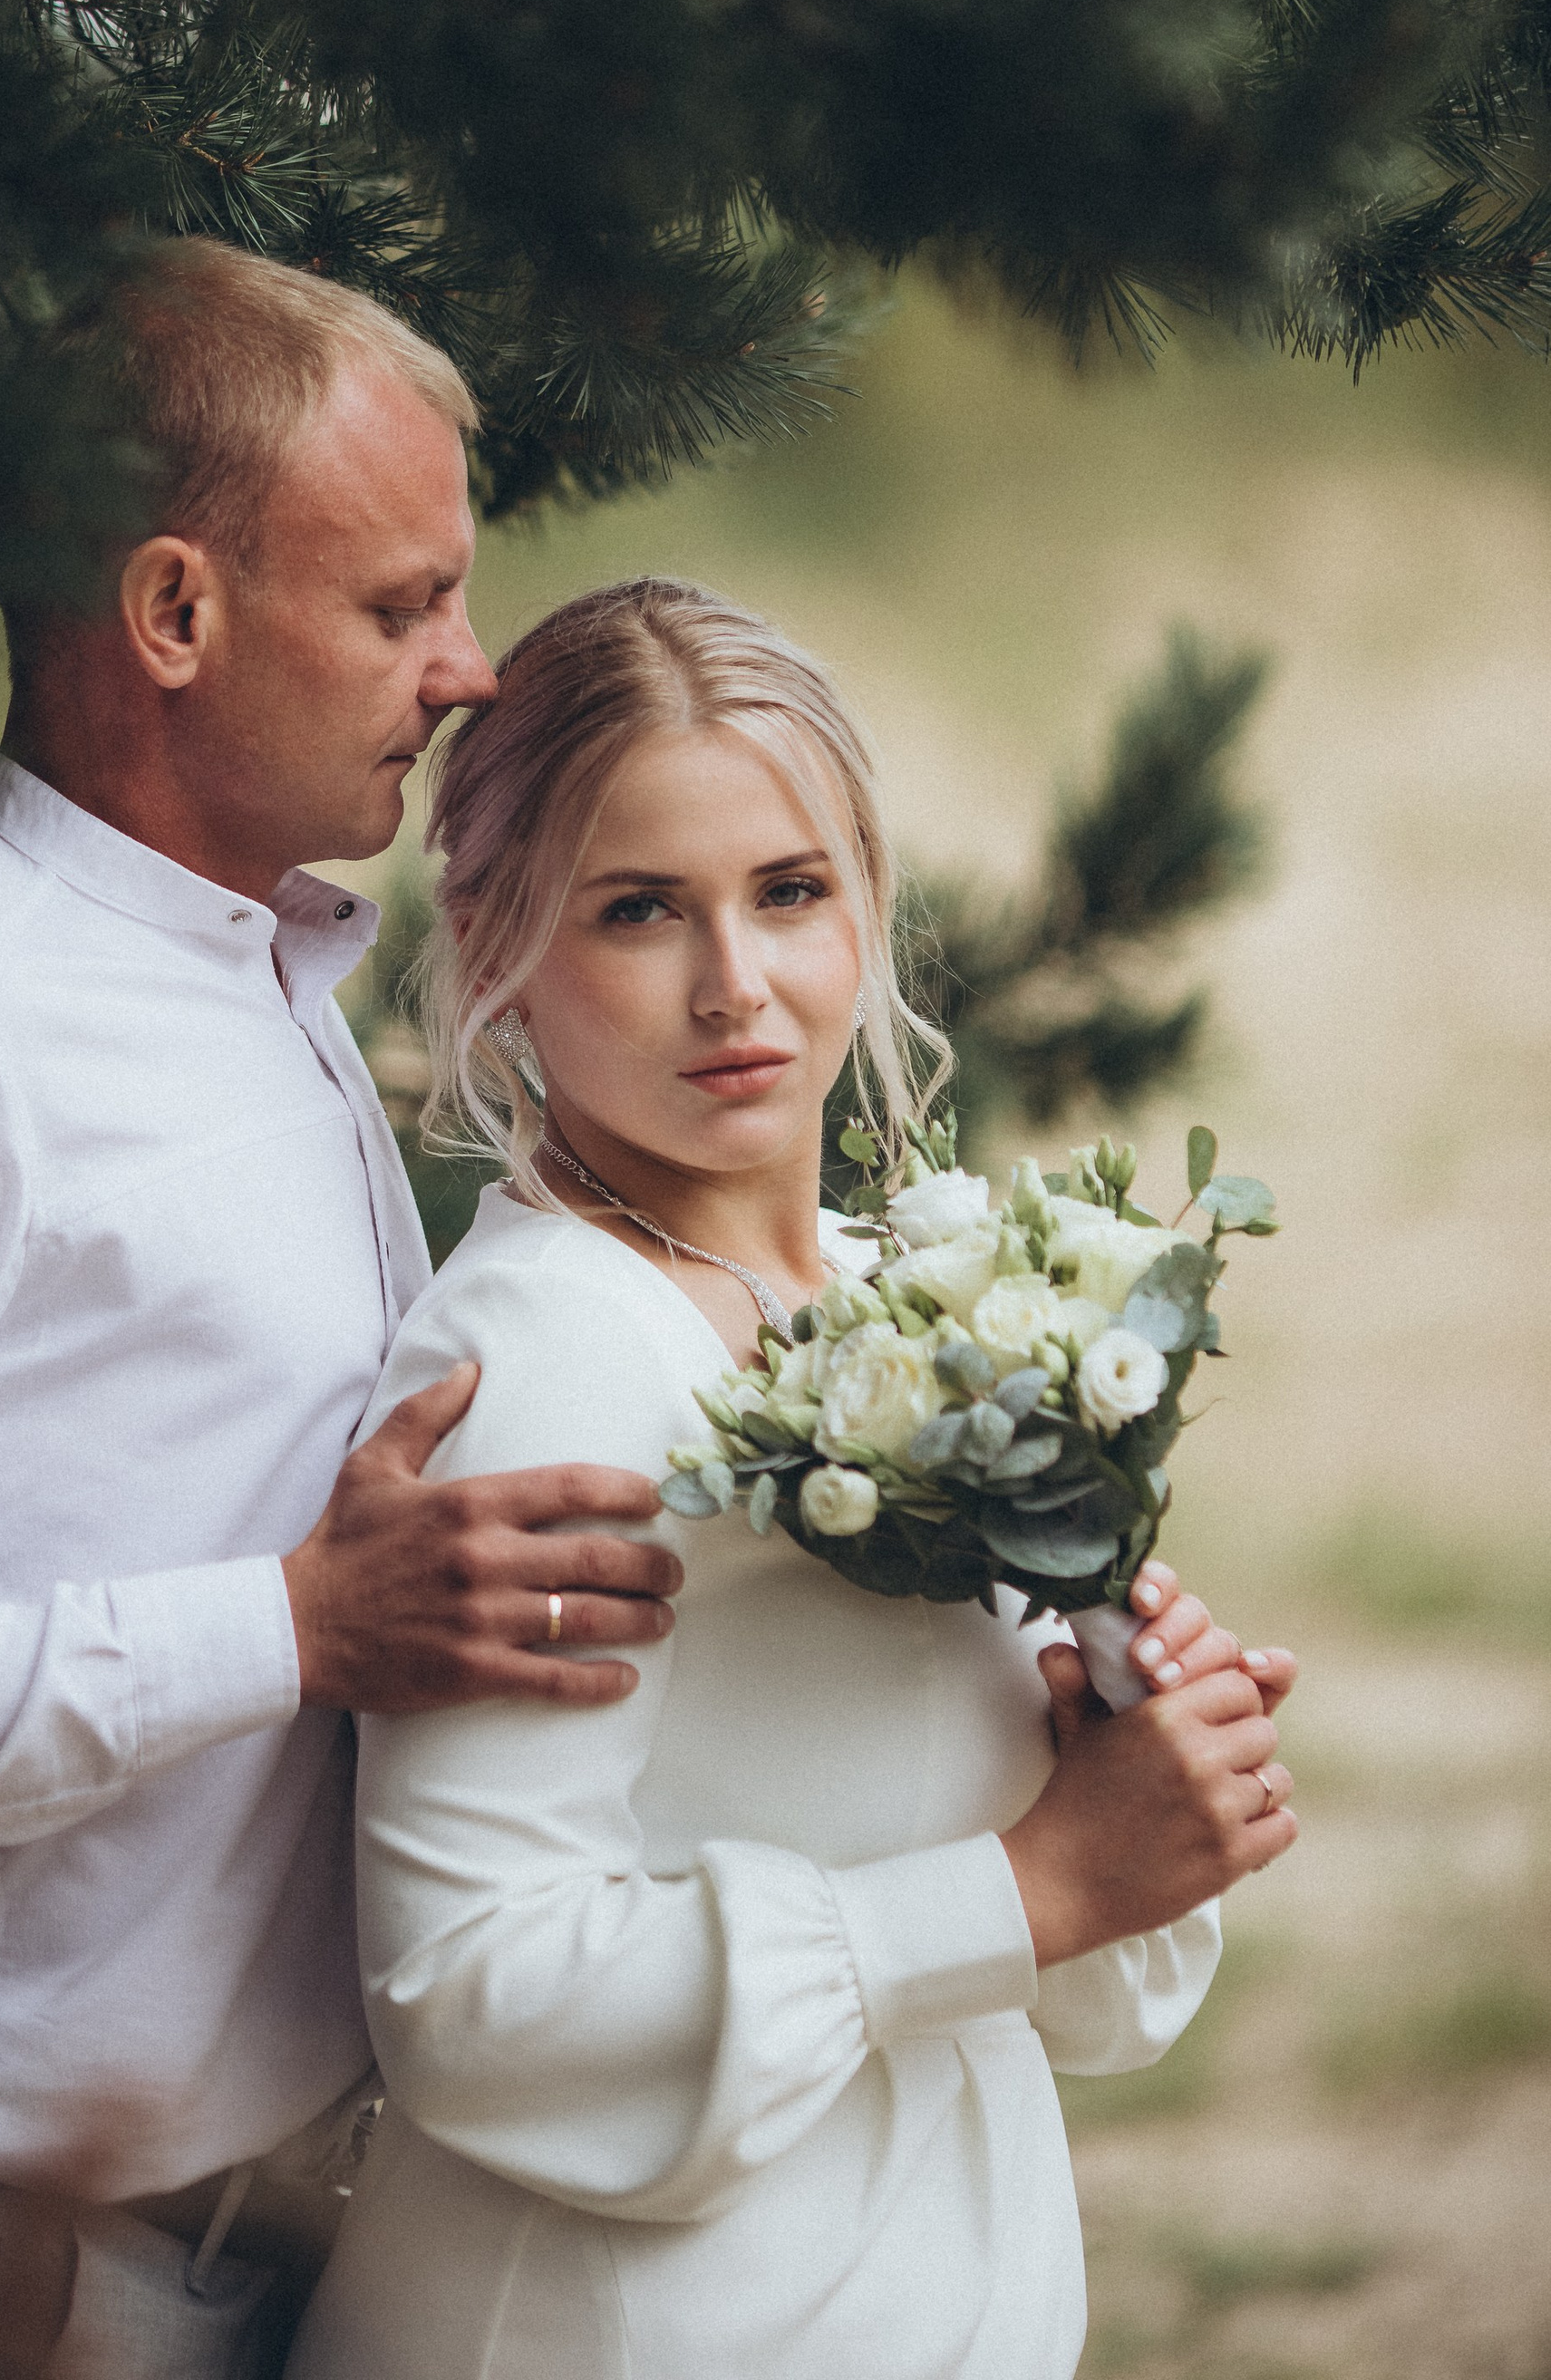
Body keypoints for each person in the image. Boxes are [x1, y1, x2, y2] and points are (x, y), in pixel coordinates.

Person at [0, 246, 690, 2380]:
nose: (466, 671)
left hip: (282, 2271)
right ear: (173, 613)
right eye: (400, 606)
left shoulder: (265, 977)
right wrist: (286, 1629)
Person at [289, 578, 1300, 2380]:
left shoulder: (928, 1300)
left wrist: (1145, 1767)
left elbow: (1087, 1994)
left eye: (786, 891)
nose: (732, 986)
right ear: (495, 938)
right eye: (637, 910)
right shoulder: (545, 1366)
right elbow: (474, 2002)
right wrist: (1029, 1888)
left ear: (868, 904)